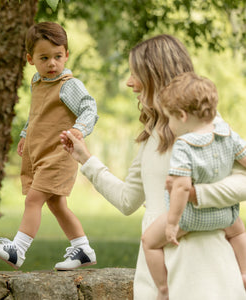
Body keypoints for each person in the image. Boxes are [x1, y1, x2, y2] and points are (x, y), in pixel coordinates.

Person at [60, 34, 246, 300]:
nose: (129, 82)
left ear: (156, 75)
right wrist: (85, 159)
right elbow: (127, 201)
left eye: (136, 74)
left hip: (208, 273)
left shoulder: (208, 125)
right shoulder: (150, 136)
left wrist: (197, 197)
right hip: (158, 281)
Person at [0, 22, 99, 270]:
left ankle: (18, 249)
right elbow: (36, 114)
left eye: (58, 56)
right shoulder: (38, 81)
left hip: (60, 154)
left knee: (33, 199)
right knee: (56, 204)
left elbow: (89, 107)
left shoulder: (69, 85)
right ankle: (83, 248)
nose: (52, 63)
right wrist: (26, 134)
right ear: (30, 59)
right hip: (41, 152)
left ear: (66, 54)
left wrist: (79, 129)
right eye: (44, 58)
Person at [141, 72, 246, 300]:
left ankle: (162, 289)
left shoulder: (184, 145)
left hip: (190, 217)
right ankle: (245, 271)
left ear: (182, 115)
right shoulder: (228, 134)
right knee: (240, 231)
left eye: (170, 118)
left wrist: (172, 222)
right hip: (225, 215)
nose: (169, 123)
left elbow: (181, 188)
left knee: (149, 241)